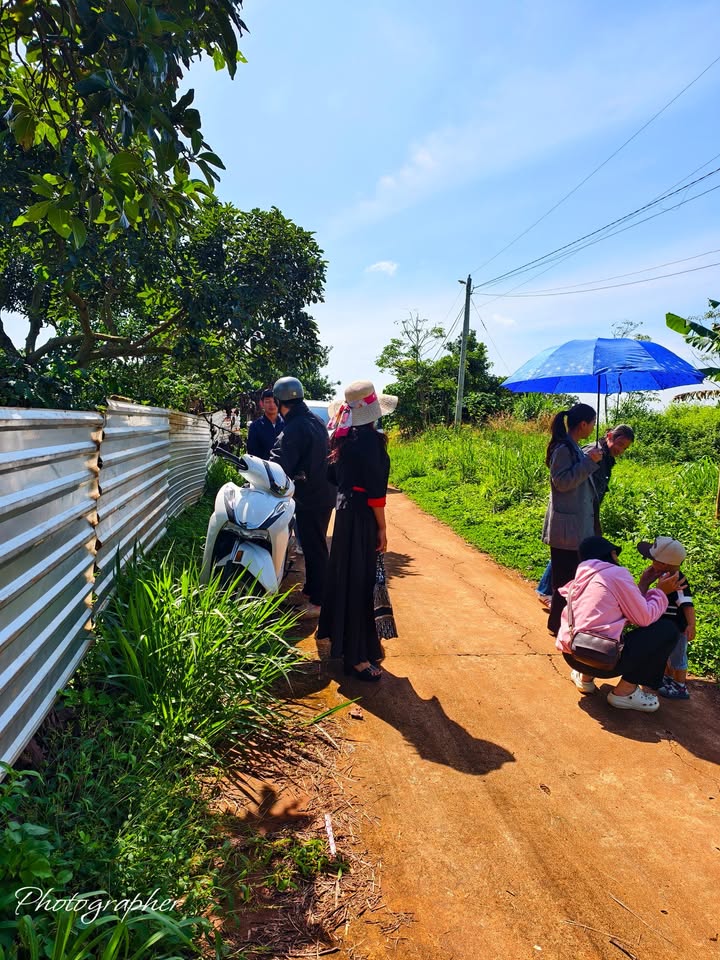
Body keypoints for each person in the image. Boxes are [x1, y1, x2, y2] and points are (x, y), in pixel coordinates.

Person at [318, 380, 397, 681]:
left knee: (346, 580)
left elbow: (331, 476)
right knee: (360, 583)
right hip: (362, 517)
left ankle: (348, 646)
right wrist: (383, 528)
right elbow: (377, 493)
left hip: (345, 516)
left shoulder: (342, 438)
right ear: (374, 412)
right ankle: (356, 657)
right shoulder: (372, 442)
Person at [557, 536, 683, 713]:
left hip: (574, 655)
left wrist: (644, 584)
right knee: (667, 630)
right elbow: (643, 618)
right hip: (603, 660)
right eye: (616, 554)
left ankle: (585, 678)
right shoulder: (616, 574)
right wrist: (661, 592)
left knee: (598, 624)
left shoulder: (584, 575)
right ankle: (625, 693)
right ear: (611, 554)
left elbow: (626, 610)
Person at [536, 423, 635, 607]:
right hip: (577, 510)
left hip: (588, 510)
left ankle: (550, 591)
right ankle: (551, 593)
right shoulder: (592, 451)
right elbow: (569, 479)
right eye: (619, 444)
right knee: (568, 553)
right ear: (609, 435)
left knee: (569, 553)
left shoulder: (605, 456)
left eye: (625, 448)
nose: (621, 450)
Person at [269, 376, 335, 616]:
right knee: (313, 543)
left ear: (278, 401)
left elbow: (280, 463)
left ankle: (319, 601)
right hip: (323, 492)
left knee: (314, 547)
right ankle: (311, 589)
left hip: (310, 496)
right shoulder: (314, 420)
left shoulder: (295, 427)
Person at [542, 404, 603, 635]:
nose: (593, 427)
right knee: (564, 581)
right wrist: (588, 462)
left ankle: (563, 623)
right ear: (584, 424)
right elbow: (562, 482)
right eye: (593, 423)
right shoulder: (563, 449)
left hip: (575, 528)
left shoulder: (573, 447)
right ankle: (557, 625)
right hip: (566, 530)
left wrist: (590, 460)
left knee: (571, 579)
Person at [636, 537, 695, 700]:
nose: (650, 562)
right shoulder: (665, 578)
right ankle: (668, 679)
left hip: (678, 628)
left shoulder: (677, 580)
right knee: (668, 654)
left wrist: (691, 625)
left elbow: (687, 605)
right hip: (666, 628)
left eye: (653, 559)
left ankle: (680, 685)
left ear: (663, 564)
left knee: (678, 657)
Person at [247, 388, 283, 460]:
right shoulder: (255, 427)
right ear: (261, 403)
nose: (272, 405)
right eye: (268, 401)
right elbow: (252, 454)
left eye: (274, 401)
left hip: (285, 469)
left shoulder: (287, 424)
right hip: (264, 468)